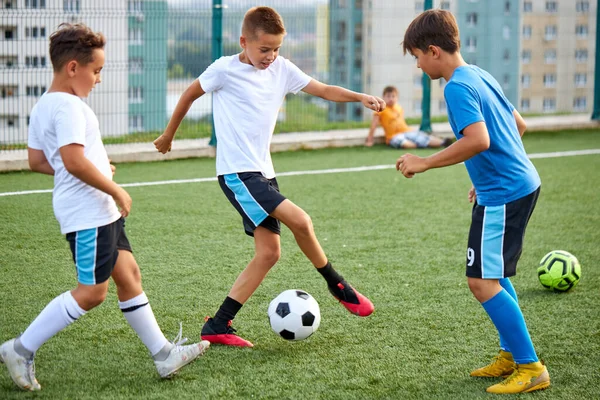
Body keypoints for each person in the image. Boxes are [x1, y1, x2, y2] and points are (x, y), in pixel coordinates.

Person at [154, 6, 382, 347]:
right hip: (237, 173)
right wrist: (168, 136)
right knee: (301, 221)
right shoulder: (224, 70)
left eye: (276, 49)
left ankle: (218, 324)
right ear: (244, 41)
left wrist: (359, 96)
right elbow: (189, 94)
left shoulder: (282, 69)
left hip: (263, 173)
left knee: (269, 253)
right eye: (264, 49)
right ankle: (339, 286)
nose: (271, 56)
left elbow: (322, 90)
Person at [0, 23, 209, 392]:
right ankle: (20, 348)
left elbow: (38, 161)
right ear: (73, 68)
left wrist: (96, 173)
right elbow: (73, 160)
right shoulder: (69, 107)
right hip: (88, 212)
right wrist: (114, 188)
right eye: (96, 71)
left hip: (96, 209)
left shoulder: (45, 105)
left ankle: (163, 355)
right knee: (92, 293)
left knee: (128, 275)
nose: (98, 79)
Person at [396, 10, 550, 394]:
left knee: (480, 282)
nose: (417, 65)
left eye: (417, 56)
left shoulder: (456, 87)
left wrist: (425, 161)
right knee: (494, 275)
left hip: (505, 192)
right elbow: (518, 125)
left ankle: (531, 367)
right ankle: (512, 354)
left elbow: (479, 139)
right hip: (514, 185)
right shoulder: (479, 73)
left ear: (433, 51)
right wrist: (485, 178)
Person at [365, 85, 452, 149]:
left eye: (393, 96)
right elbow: (374, 125)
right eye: (388, 96)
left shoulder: (399, 108)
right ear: (383, 97)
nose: (391, 99)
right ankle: (420, 145)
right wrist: (370, 139)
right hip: (393, 136)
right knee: (404, 144)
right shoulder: (380, 110)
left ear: (397, 97)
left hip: (407, 131)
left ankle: (443, 142)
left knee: (422, 137)